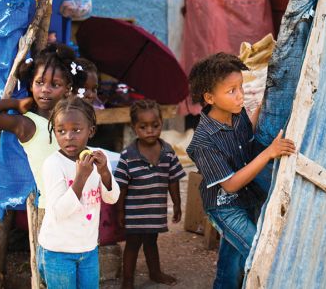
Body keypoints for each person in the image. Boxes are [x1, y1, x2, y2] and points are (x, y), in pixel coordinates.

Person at [186, 52, 296, 289]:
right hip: (225, 206)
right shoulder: (204, 142)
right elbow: (231, 184)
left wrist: (260, 112)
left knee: (232, 257)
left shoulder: (237, 115)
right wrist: (269, 153)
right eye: (231, 91)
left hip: (248, 196)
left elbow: (246, 138)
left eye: (241, 88)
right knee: (257, 251)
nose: (240, 96)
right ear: (209, 97)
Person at [0, 43, 78, 207]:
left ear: (67, 89)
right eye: (39, 83)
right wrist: (16, 104)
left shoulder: (71, 121)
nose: (45, 89)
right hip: (51, 207)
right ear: (31, 85)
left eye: (55, 84)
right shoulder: (28, 124)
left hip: (78, 202)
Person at [38, 97, 120, 289]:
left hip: (88, 249)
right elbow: (59, 211)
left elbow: (112, 197)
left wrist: (105, 172)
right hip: (58, 251)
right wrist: (81, 178)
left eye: (76, 130)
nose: (68, 136)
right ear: (54, 132)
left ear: (90, 131)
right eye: (61, 131)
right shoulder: (53, 164)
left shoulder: (98, 157)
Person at [115, 100, 185, 287]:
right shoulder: (127, 155)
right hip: (135, 213)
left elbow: (173, 179)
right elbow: (121, 186)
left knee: (151, 242)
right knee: (132, 245)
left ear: (161, 123)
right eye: (143, 126)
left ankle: (155, 273)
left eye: (155, 125)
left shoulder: (168, 152)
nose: (150, 131)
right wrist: (120, 211)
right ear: (134, 127)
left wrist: (177, 204)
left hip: (155, 210)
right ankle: (128, 280)